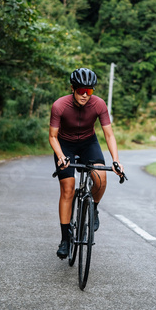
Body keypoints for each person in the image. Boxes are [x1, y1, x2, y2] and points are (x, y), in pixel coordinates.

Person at [49, 67, 124, 259]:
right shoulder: (59, 105)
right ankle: (65, 239)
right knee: (68, 188)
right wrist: (61, 156)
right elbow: (53, 136)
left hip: (88, 143)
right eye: (81, 90)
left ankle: (94, 208)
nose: (85, 95)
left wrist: (116, 160)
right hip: (65, 145)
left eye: (89, 91)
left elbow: (109, 134)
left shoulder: (98, 104)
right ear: (72, 88)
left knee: (101, 179)